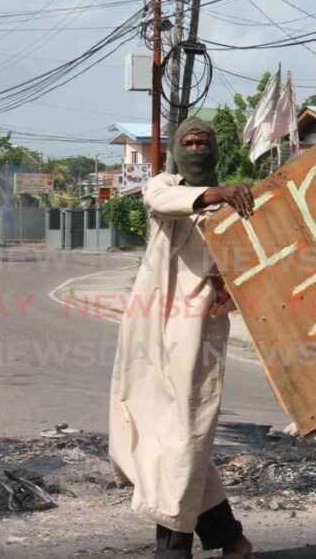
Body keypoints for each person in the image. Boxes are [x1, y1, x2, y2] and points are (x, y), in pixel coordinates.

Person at [109, 117, 256, 559]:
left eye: (204, 142)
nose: (196, 149)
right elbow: (163, 200)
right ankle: (231, 537)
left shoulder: (238, 205)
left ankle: (172, 547)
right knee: (156, 426)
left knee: (185, 430)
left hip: (200, 326)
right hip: (150, 321)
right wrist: (218, 195)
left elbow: (251, 262)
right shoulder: (165, 185)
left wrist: (234, 289)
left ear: (216, 149)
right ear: (177, 149)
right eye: (188, 142)